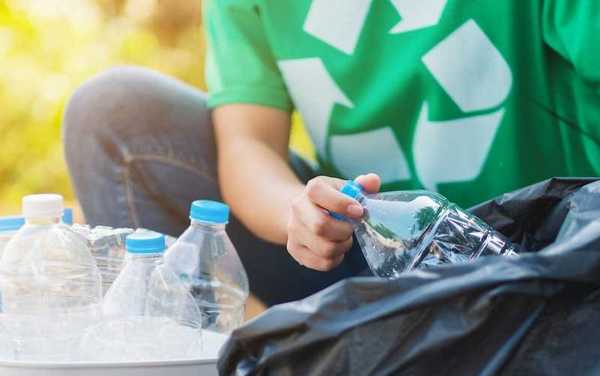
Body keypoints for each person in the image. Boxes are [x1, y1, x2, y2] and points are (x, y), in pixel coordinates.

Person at [63, 1, 599, 307]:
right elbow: (248, 143)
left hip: (534, 255)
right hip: (360, 254)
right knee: (117, 116)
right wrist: (299, 211)